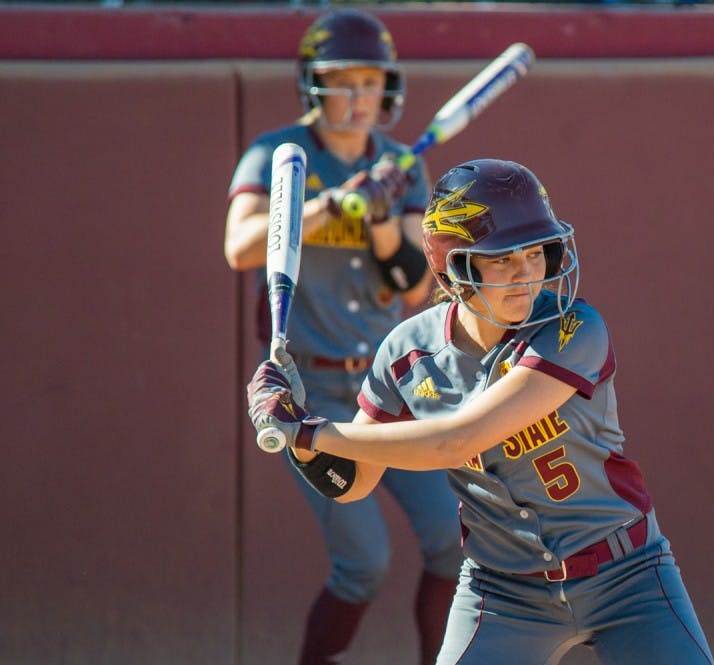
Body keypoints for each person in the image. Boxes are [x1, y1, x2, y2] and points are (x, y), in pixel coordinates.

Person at [247, 158, 714, 665]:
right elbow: (353, 481)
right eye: (503, 260)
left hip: (626, 576)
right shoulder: (407, 351)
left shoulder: (573, 327)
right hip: (503, 594)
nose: (526, 275)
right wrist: (294, 429)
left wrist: (312, 432)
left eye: (536, 254)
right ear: (456, 268)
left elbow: (457, 440)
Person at [224, 10, 463, 665]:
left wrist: (382, 219)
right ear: (312, 85)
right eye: (342, 82)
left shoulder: (399, 165)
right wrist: (330, 204)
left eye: (369, 82)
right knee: (364, 563)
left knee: (455, 535)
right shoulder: (279, 154)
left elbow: (416, 285)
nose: (358, 98)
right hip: (311, 386)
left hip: (393, 384)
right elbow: (240, 245)